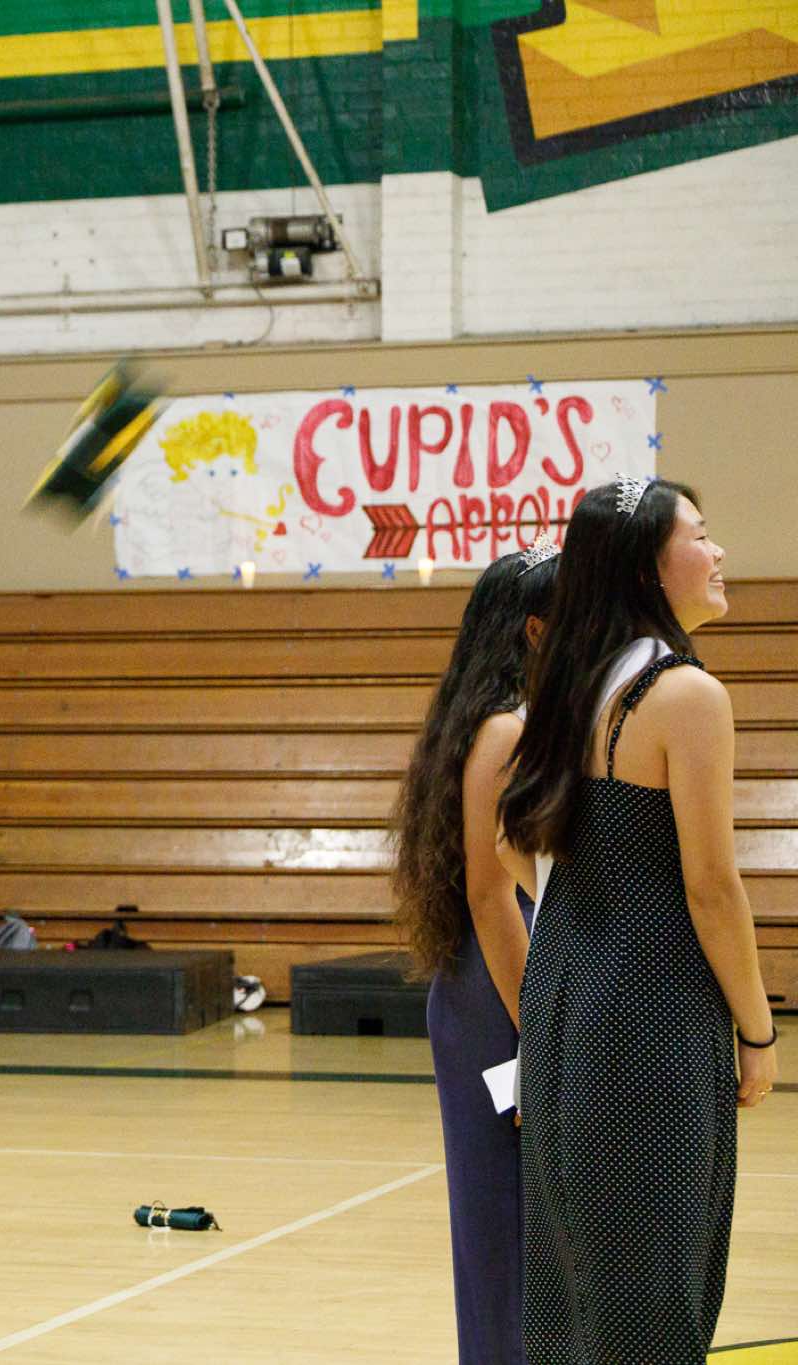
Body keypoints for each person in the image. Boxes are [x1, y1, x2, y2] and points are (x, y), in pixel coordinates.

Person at [497, 476, 775, 1362]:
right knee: (655, 1290)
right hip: (652, 1012)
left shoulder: (565, 685)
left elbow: (513, 843)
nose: (719, 551)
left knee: (572, 1286)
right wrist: (759, 1030)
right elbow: (712, 888)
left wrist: (590, 910)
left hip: (561, 1000)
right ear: (648, 568)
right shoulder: (685, 694)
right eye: (701, 534)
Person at [390, 545, 559, 1365]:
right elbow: (494, 898)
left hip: (486, 983)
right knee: (508, 1226)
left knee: (512, 1225)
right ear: (535, 630)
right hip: (500, 984)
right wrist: (544, 1035)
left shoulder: (496, 720)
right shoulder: (505, 729)